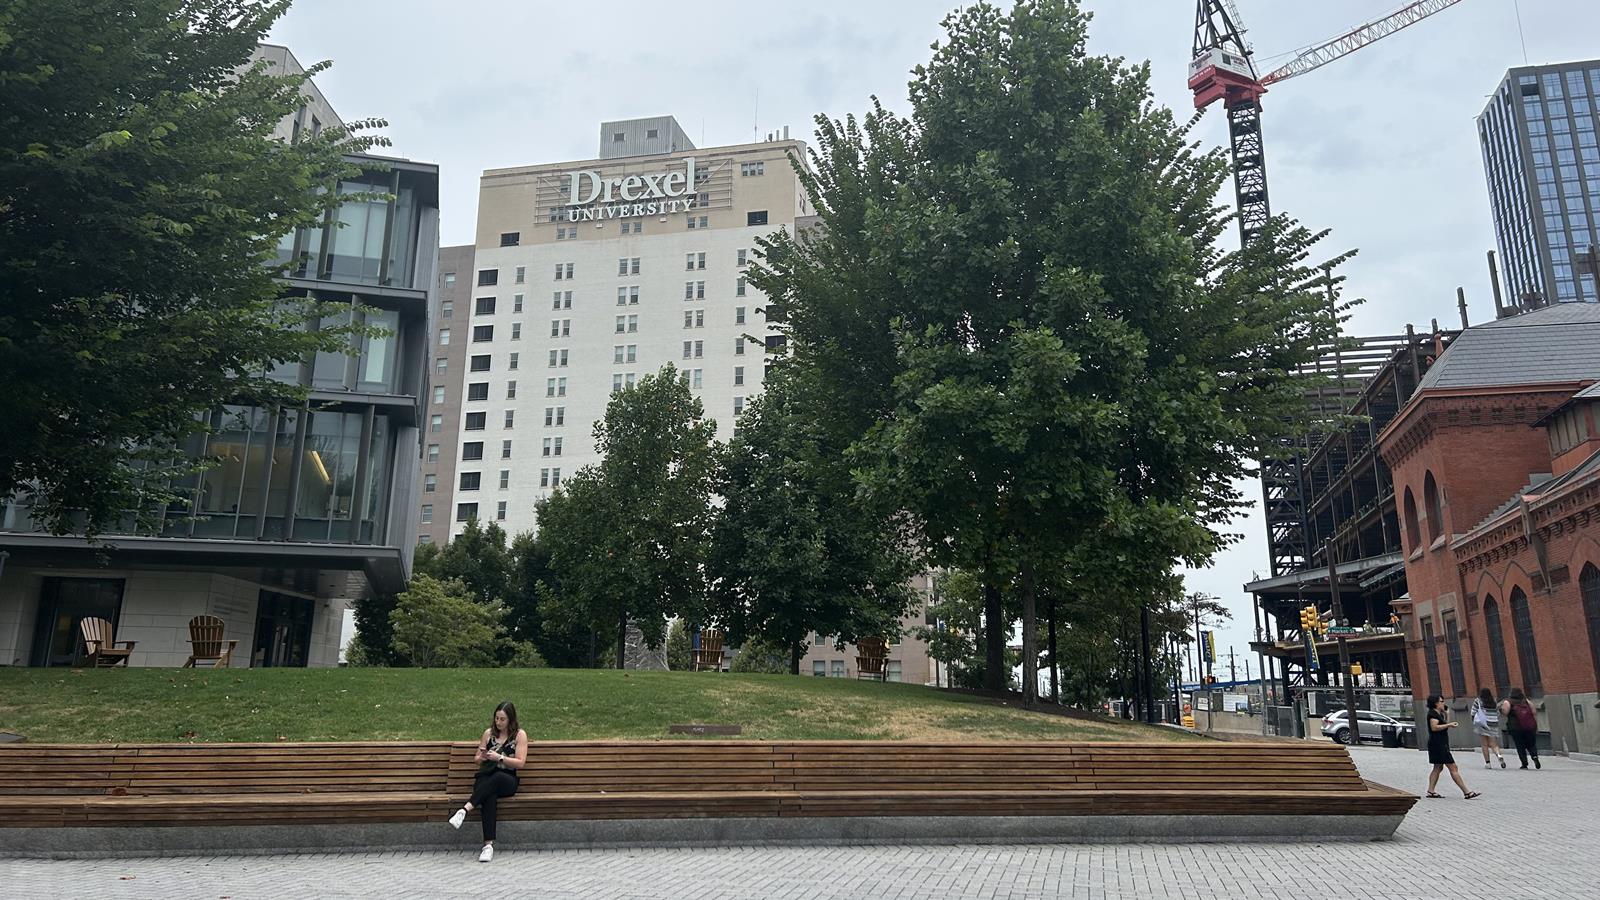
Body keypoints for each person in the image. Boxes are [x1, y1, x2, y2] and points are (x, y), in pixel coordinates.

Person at [447, 701, 528, 862]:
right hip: (486, 776)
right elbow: (476, 758)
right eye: (497, 718)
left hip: (507, 779)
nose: (498, 722)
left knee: (496, 779)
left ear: (510, 720)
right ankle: (488, 846)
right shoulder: (488, 734)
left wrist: (500, 758)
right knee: (489, 794)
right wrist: (483, 757)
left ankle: (465, 809)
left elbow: (520, 762)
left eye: (502, 719)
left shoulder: (519, 735)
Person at [1424, 694, 1480, 800]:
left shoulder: (1438, 713)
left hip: (1439, 743)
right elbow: (1434, 727)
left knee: (1438, 767)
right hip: (1438, 745)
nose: (1443, 703)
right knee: (1453, 767)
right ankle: (1467, 792)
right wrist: (1448, 725)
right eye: (1441, 701)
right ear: (1436, 703)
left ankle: (1431, 791)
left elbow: (1444, 724)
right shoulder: (1432, 714)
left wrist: (1447, 714)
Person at [1500, 687, 1541, 770]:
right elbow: (1534, 712)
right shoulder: (1526, 701)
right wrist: (1535, 726)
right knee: (1531, 744)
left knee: (1520, 745)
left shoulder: (1508, 702)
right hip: (1529, 727)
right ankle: (1535, 756)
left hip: (1516, 728)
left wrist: (1501, 710)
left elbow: (1505, 712)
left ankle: (1524, 763)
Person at [1470, 688, 1506, 769]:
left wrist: (1474, 720)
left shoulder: (1478, 701)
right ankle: (1499, 755)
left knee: (1484, 744)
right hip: (1493, 724)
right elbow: (1497, 713)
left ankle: (1488, 763)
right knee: (1494, 744)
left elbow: (1473, 712)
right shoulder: (1493, 702)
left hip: (1482, 724)